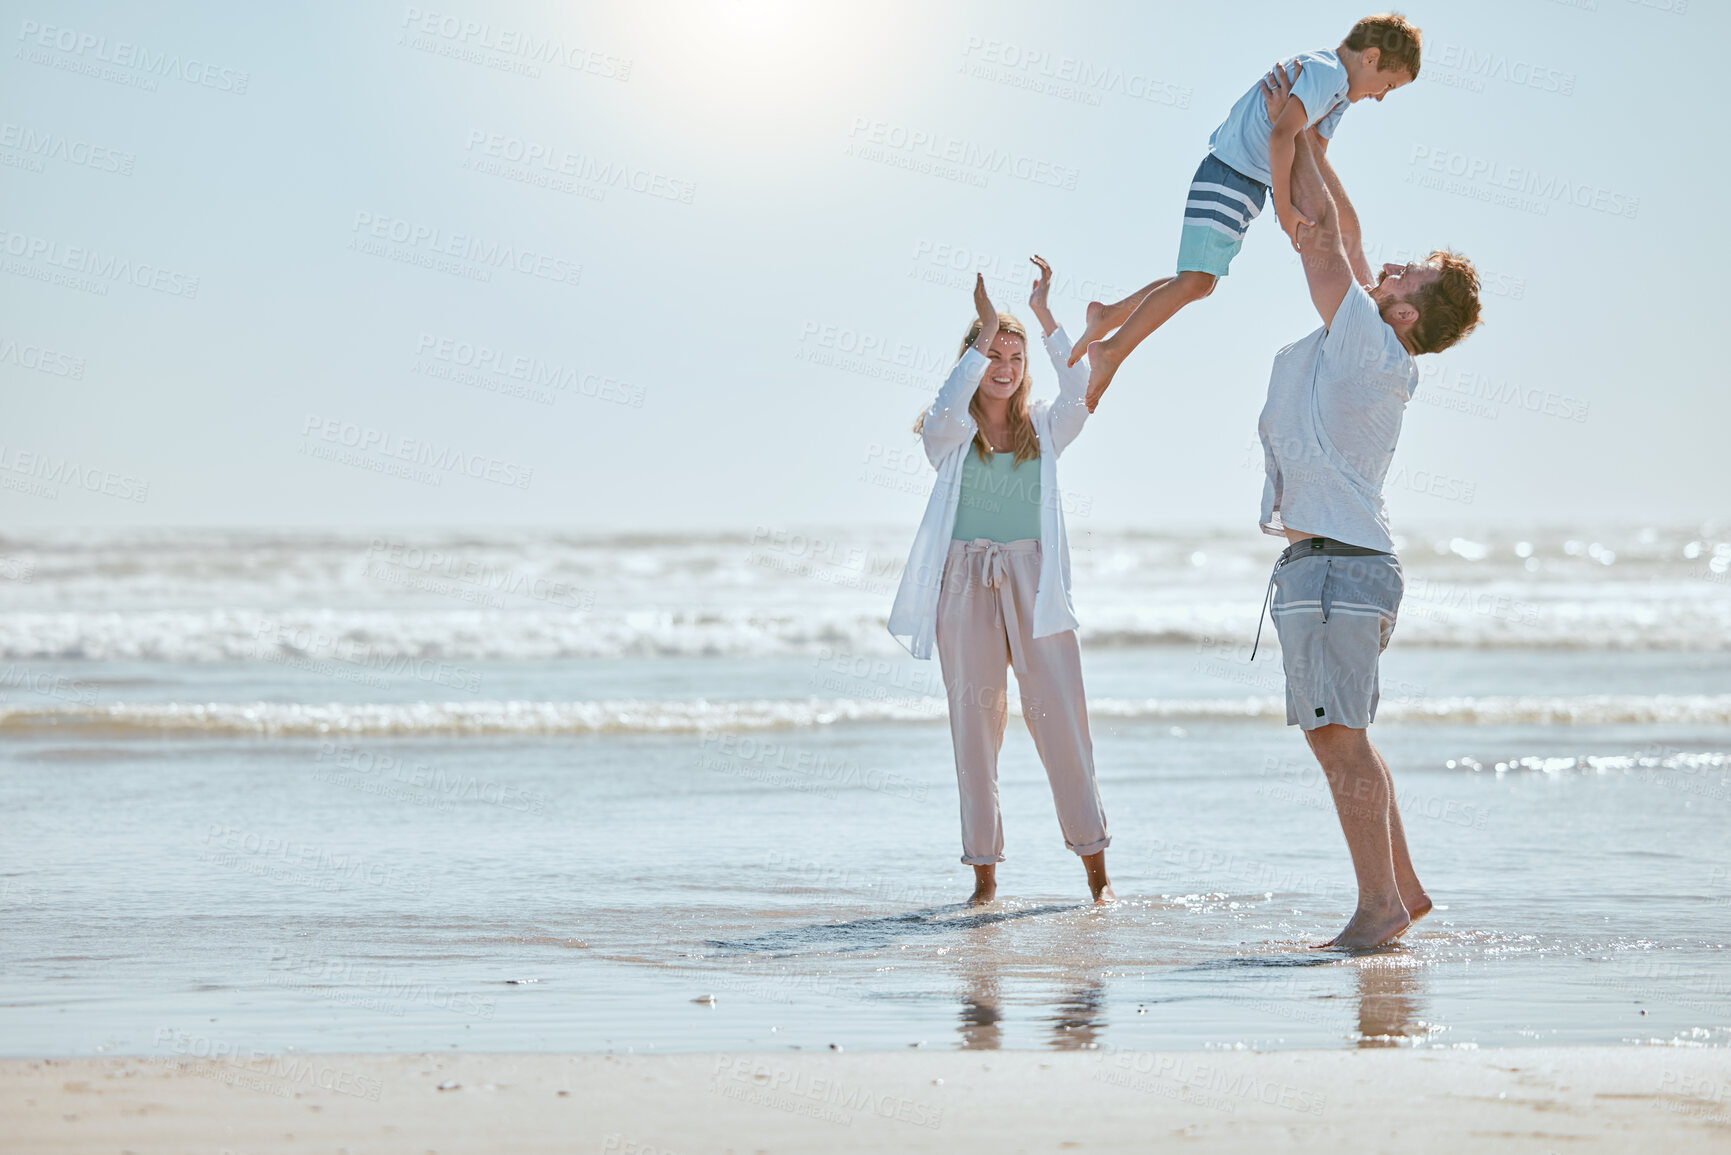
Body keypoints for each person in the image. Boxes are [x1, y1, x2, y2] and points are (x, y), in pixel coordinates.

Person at [1255, 66, 1483, 950]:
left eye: (1405, 275)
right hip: (1329, 563)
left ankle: (1376, 908)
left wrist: (1305, 127)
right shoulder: (1357, 342)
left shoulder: (1371, 348)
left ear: (1406, 314)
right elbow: (1342, 238)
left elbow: (1331, 243)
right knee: (1344, 736)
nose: (1384, 267)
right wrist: (1306, 137)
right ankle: (1404, 889)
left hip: (1337, 569)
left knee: (1335, 742)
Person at [887, 258, 1113, 906]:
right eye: (993, 353)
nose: (1004, 365)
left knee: (1062, 721)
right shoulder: (949, 435)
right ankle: (983, 879)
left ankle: (1097, 876)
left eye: (1014, 356)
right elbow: (941, 407)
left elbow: (1081, 389)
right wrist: (984, 326)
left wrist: (1042, 314)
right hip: (963, 582)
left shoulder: (1044, 426)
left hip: (1035, 582)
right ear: (974, 360)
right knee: (973, 727)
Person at [1069, 13, 1424, 411]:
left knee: (1201, 282)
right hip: (1229, 175)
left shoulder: (1339, 93)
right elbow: (1280, 134)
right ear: (1371, 57)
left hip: (1246, 183)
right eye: (1388, 85)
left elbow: (1314, 154)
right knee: (1196, 280)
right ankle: (1112, 350)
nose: (1381, 96)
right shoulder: (1327, 74)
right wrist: (1287, 210)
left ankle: (1108, 316)